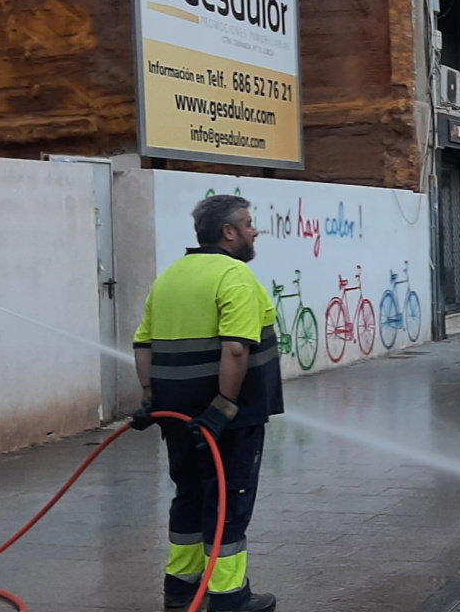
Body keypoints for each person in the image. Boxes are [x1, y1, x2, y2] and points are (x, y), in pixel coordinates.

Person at [130, 195, 283, 611]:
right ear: (228, 232)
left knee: (189, 495)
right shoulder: (234, 275)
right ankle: (228, 596)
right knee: (229, 500)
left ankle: (181, 587)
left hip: (175, 413)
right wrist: (224, 407)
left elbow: (143, 342)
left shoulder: (171, 276)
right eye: (248, 224)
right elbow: (235, 349)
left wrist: (149, 398)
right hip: (227, 419)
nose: (254, 231)